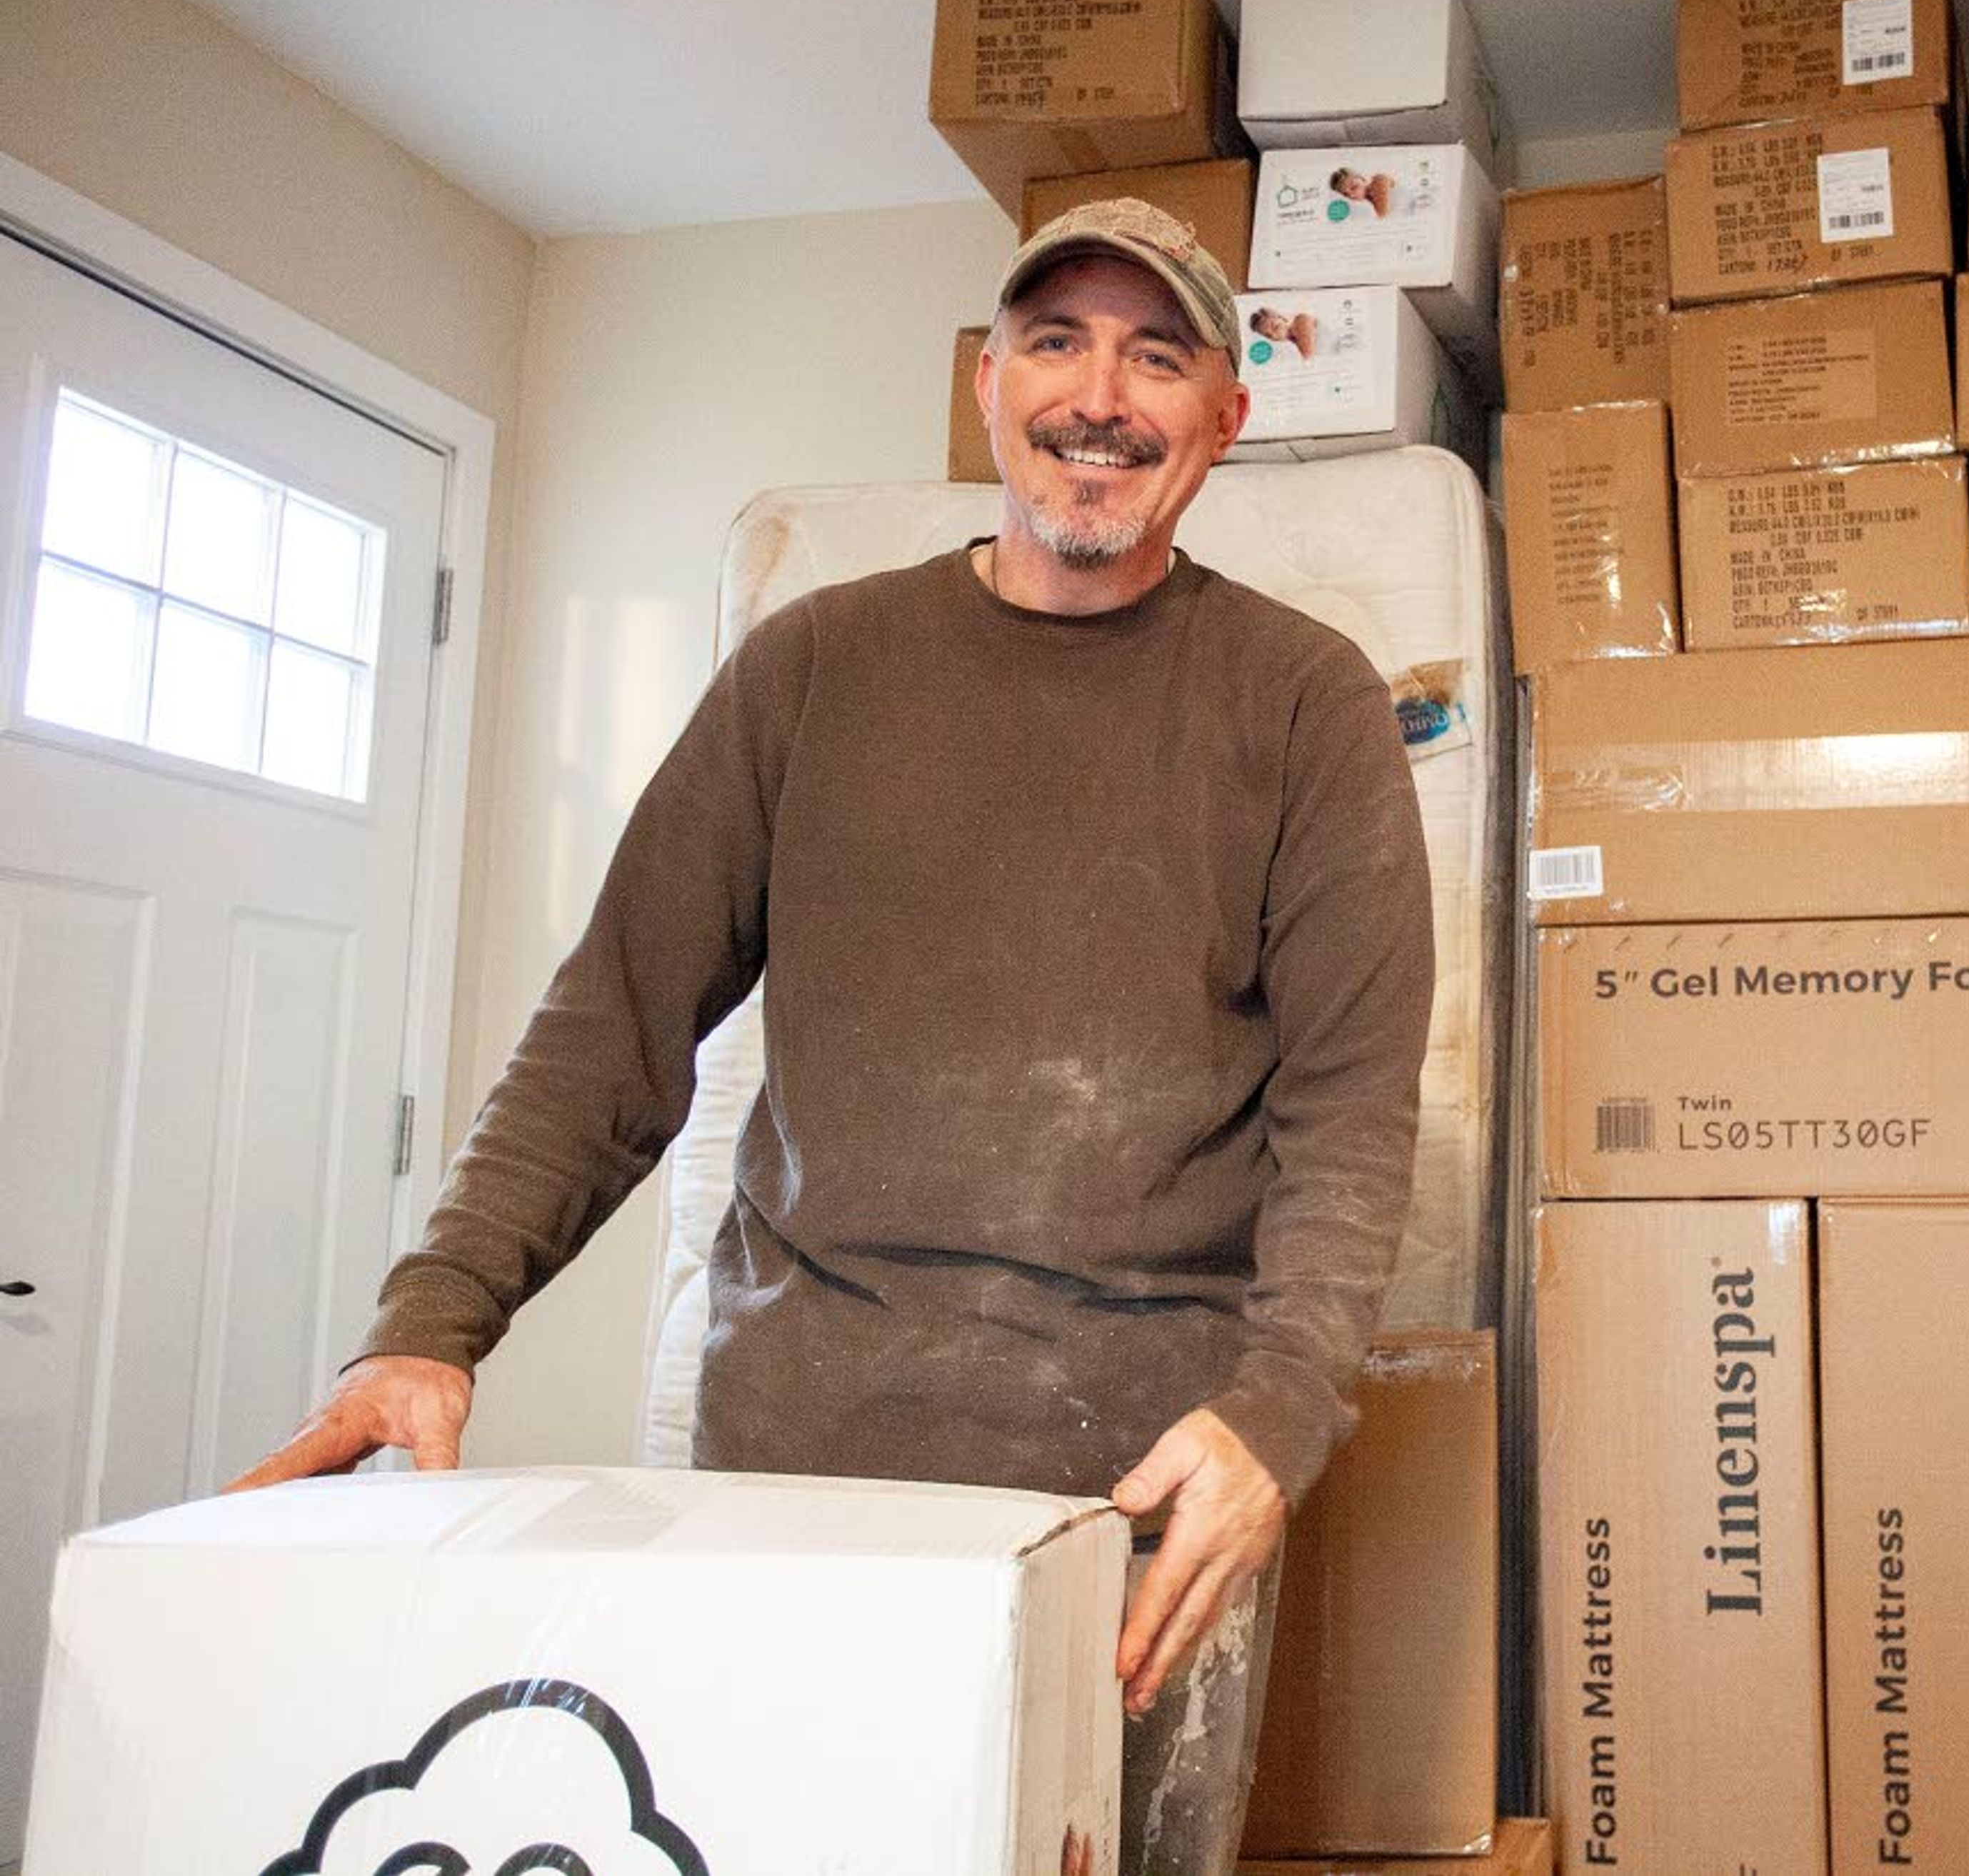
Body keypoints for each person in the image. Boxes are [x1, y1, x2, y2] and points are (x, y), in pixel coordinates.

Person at [231, 198, 1436, 1873]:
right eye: (1060, 343)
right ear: (989, 382)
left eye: (1159, 358)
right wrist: (427, 1322)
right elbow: (612, 1031)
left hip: (1143, 1501)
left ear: (1225, 419)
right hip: (801, 1471)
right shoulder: (812, 669)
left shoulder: (1305, 702)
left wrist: (1280, 1413)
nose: (1103, 396)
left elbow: (1353, 1109)